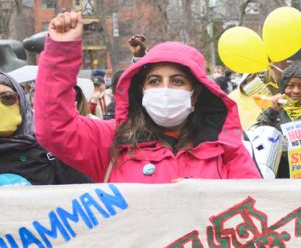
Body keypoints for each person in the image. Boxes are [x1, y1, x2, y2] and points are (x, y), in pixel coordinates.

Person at [33, 11, 260, 183]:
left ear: (196, 93)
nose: (165, 89)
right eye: (154, 81)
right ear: (141, 90)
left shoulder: (226, 149)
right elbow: (55, 129)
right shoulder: (113, 141)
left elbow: (256, 211)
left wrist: (201, 198)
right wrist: (61, 52)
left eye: (177, 81)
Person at [253, 64, 301, 178]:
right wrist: (273, 110)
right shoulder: (275, 111)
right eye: (290, 86)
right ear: (283, 88)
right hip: (282, 178)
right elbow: (259, 136)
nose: (296, 91)